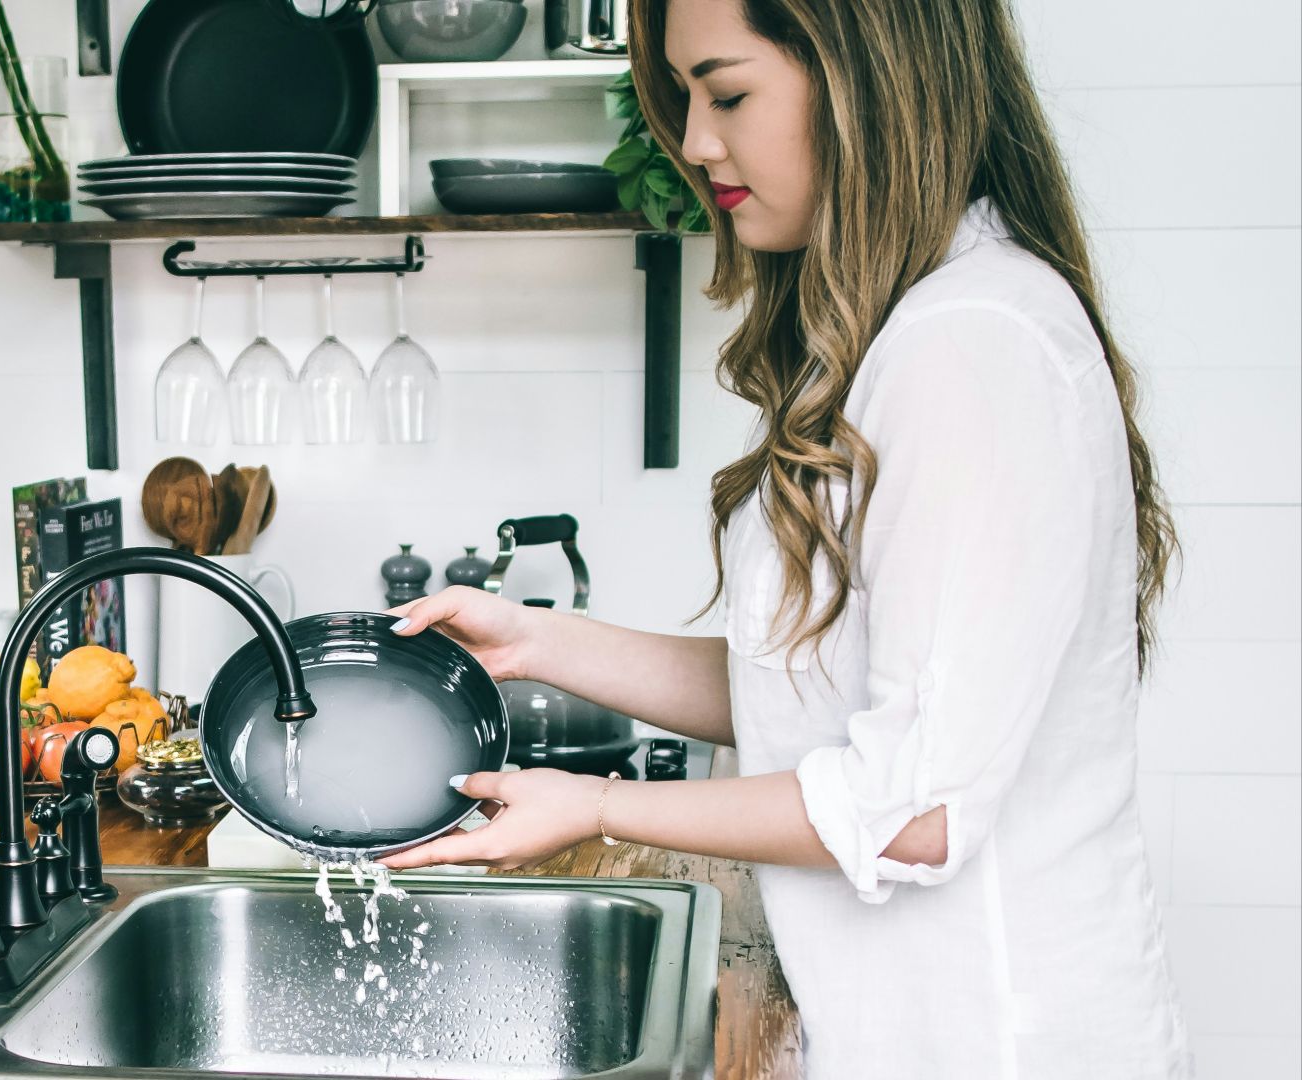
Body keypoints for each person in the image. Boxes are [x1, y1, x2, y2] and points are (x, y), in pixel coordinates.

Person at [378, 0, 1190, 1075]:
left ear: (864, 76)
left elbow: (917, 810)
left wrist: (597, 803)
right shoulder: (912, 330)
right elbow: (810, 695)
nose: (698, 141)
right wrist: (533, 642)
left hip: (998, 1041)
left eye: (727, 93)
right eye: (684, 100)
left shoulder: (969, 347)